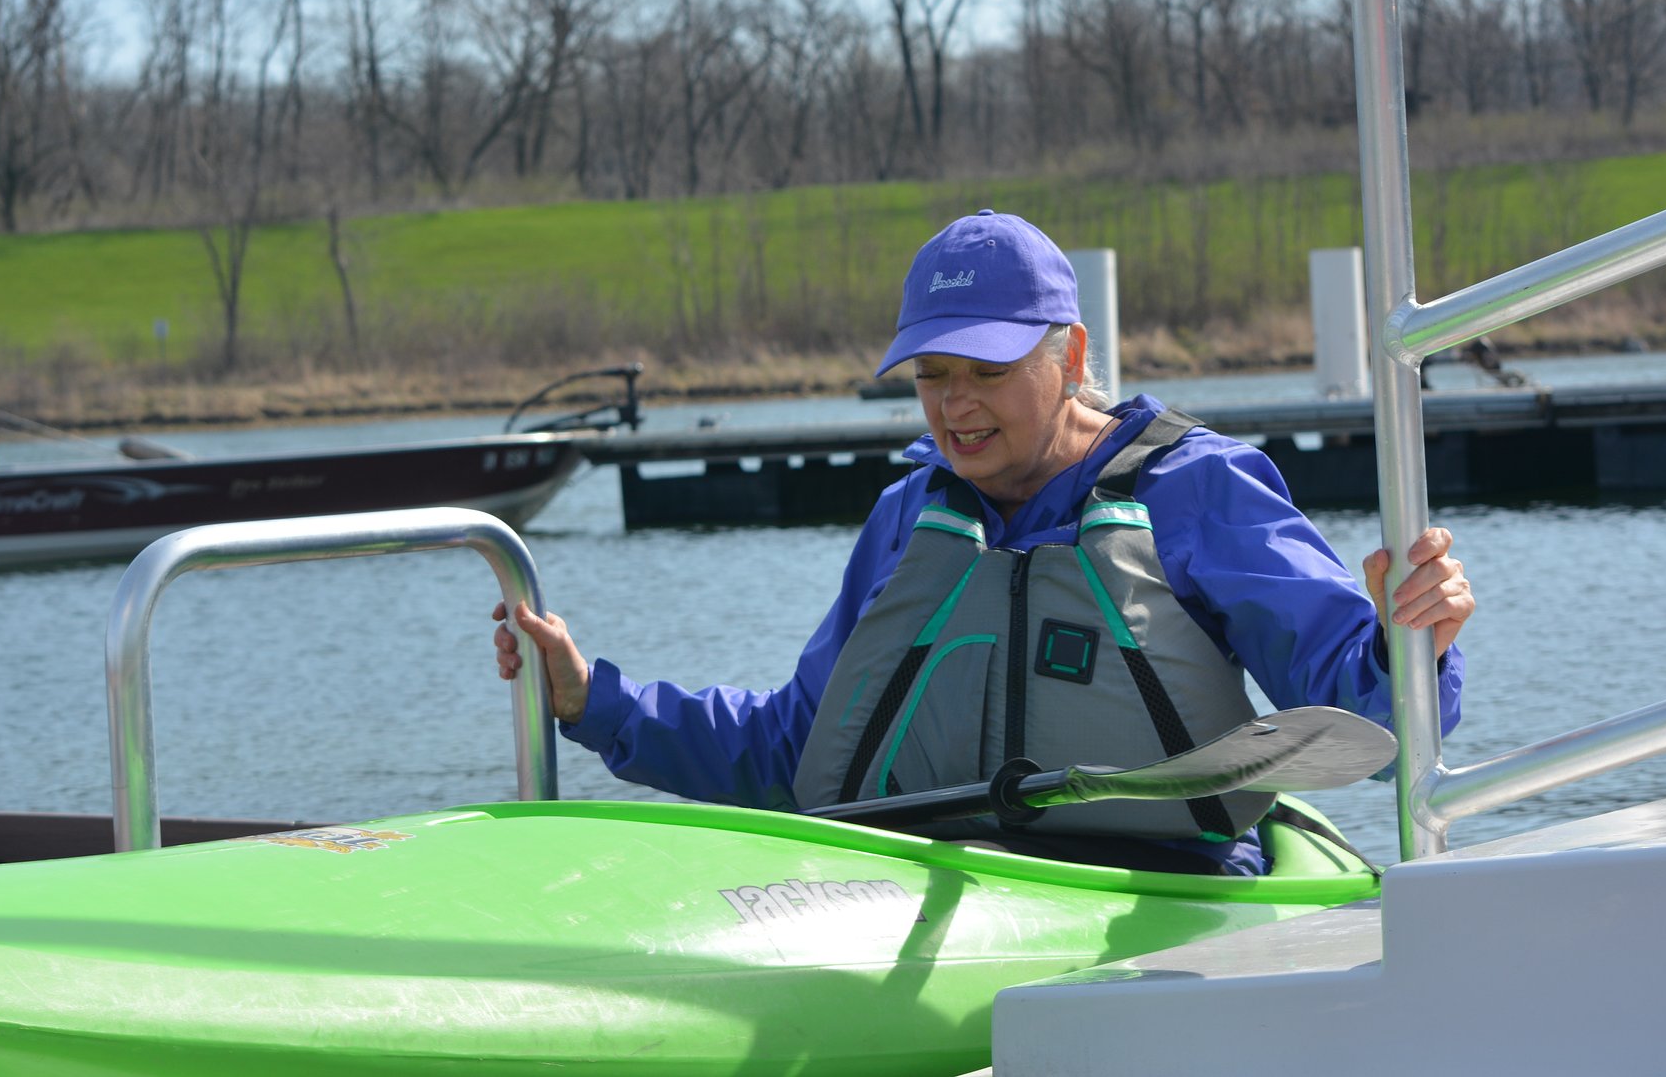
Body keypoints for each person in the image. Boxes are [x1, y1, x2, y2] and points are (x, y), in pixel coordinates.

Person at [496, 210, 1472, 875]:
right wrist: (594, 701)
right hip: (930, 890)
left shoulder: (1197, 491)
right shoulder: (910, 517)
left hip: (1166, 893)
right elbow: (795, 753)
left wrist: (1412, 637)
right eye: (932, 373)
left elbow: (1371, 724)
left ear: (1072, 354)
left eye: (987, 370)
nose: (956, 405)